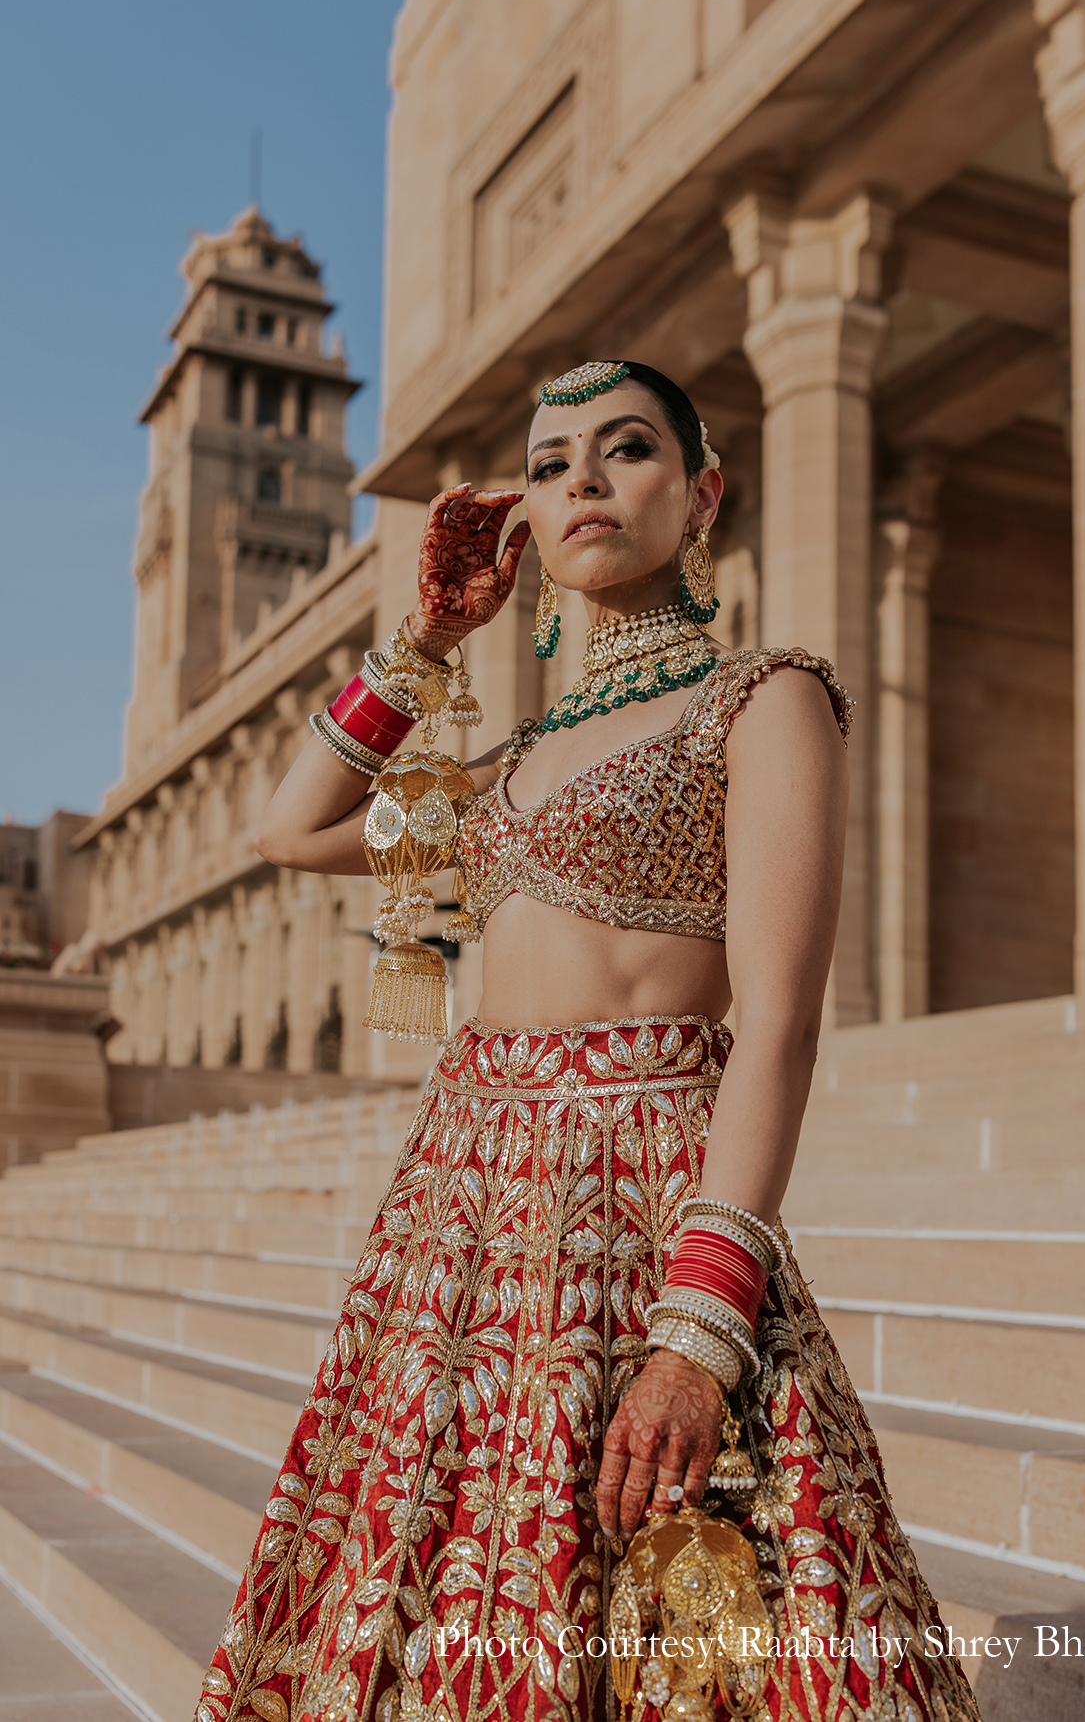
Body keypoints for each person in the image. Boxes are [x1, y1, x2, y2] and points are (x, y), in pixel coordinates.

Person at [198, 362, 977, 1722]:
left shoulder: (762, 700)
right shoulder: (503, 770)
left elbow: (782, 1021)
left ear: (702, 492)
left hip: (649, 1192)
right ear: (526, 519)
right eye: (552, 465)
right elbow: (286, 826)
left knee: (694, 1613)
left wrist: (699, 1332)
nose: (585, 484)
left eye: (625, 452)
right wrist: (427, 638)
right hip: (468, 1221)